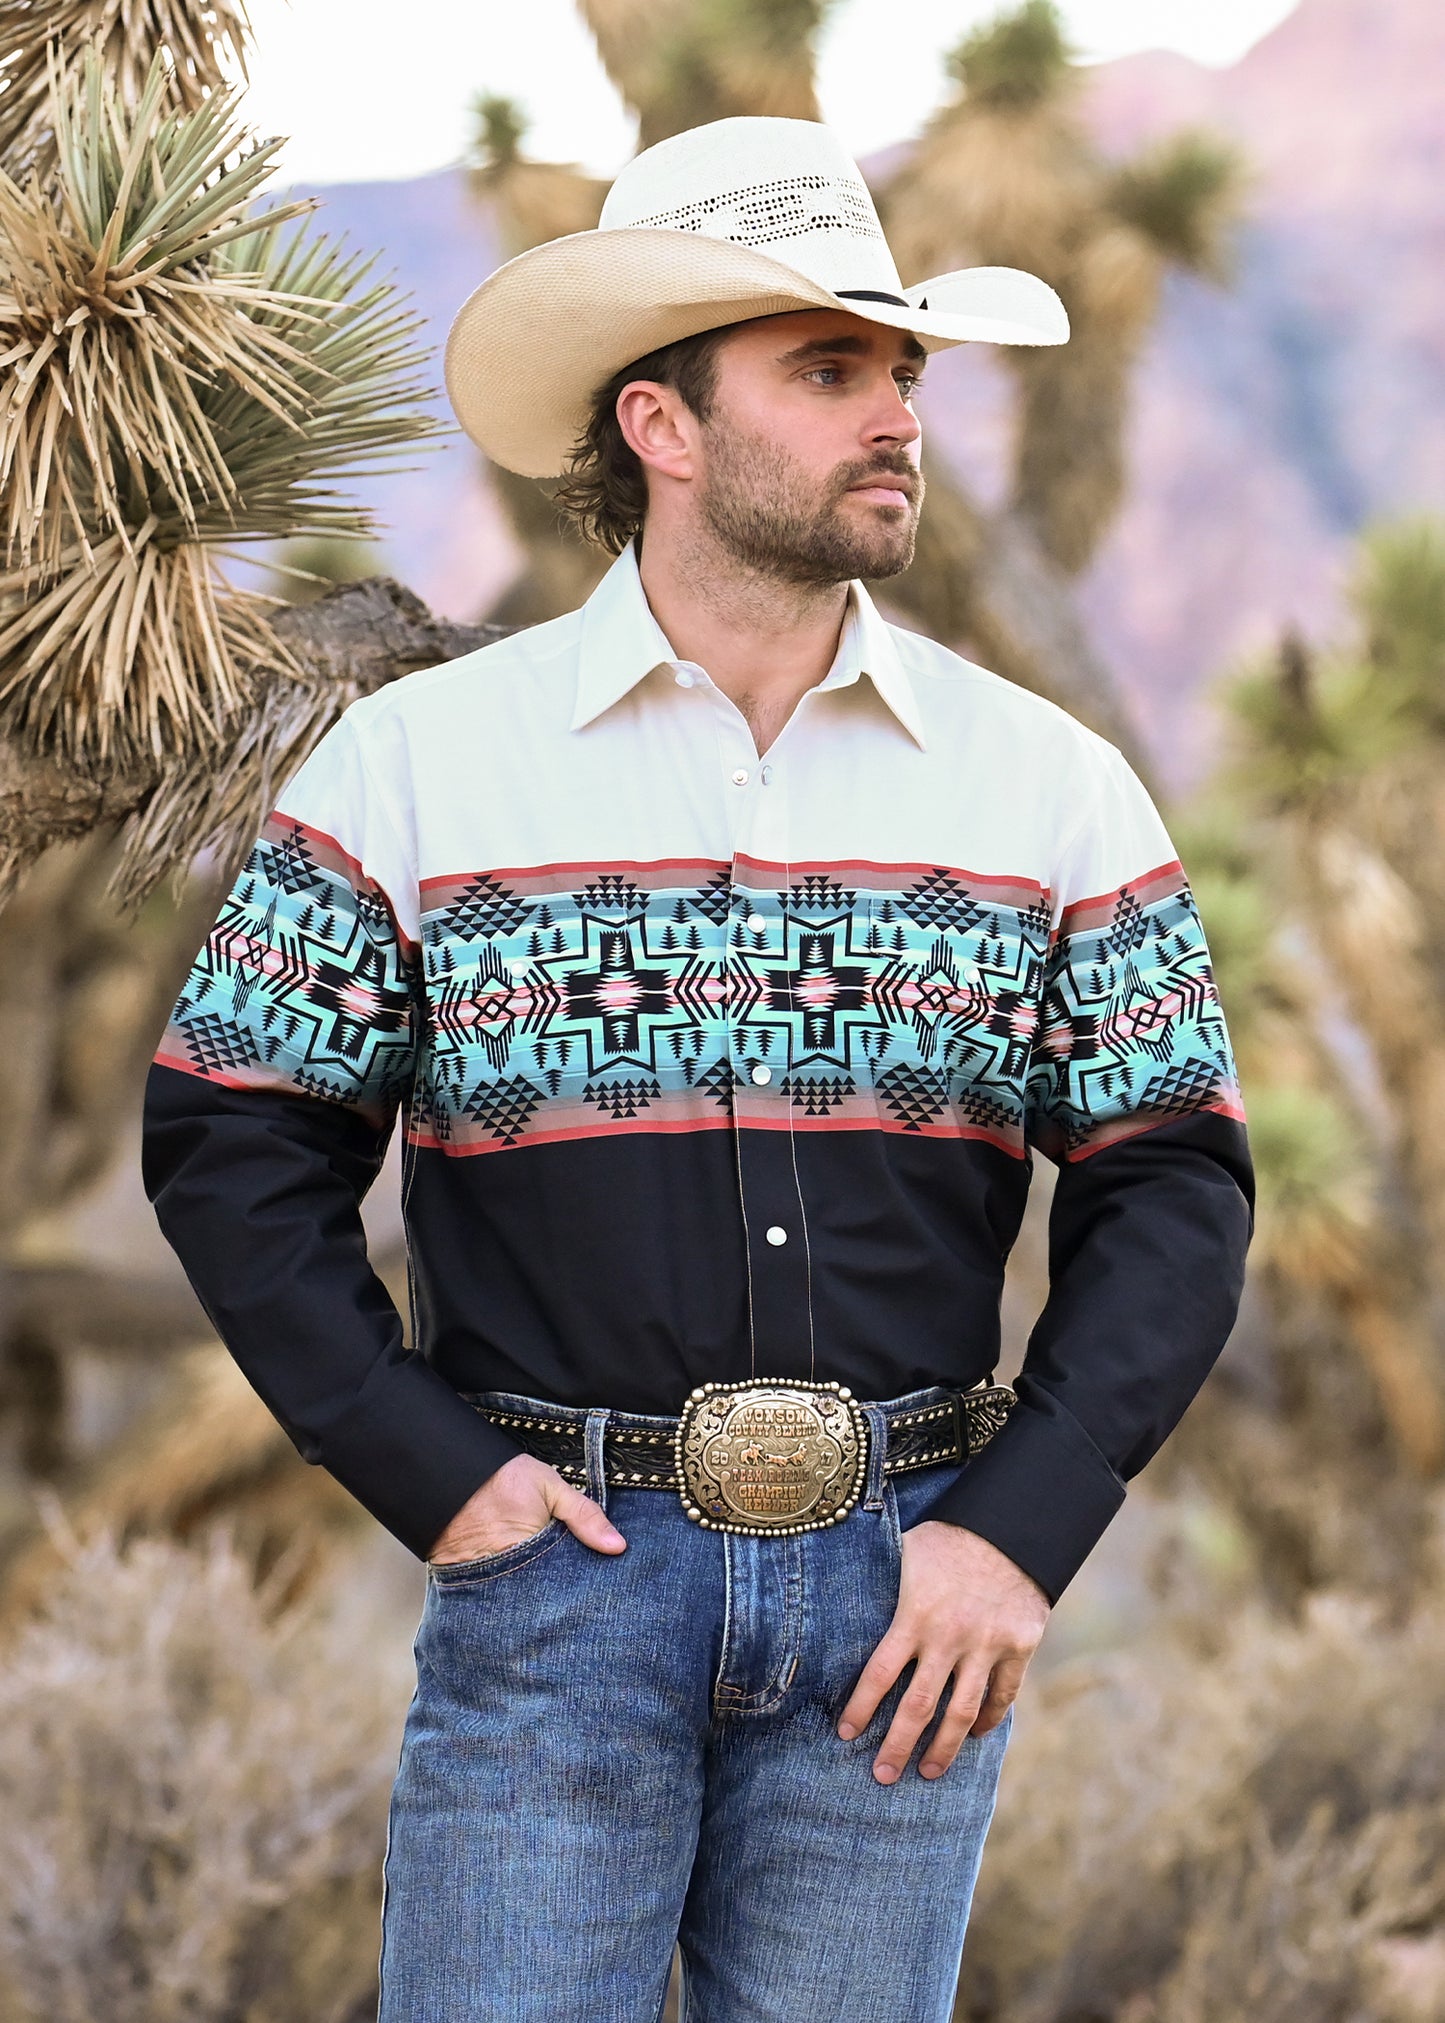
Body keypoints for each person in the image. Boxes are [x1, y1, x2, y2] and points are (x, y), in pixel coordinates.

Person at [143, 115, 1253, 2023]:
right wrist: (438, 1477)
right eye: (828, 371)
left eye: (898, 370)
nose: (894, 415)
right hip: (554, 1586)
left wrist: (1019, 1529)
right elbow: (233, 1138)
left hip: (912, 1602)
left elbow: (1176, 1180)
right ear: (660, 423)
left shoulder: (1044, 784)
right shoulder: (422, 765)